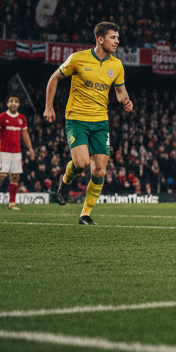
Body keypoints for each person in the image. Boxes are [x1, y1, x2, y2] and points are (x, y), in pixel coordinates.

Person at [45, 21, 134, 225]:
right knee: (81, 163)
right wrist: (49, 107)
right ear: (100, 39)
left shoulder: (116, 65)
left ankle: (85, 214)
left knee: (100, 170)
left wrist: (126, 101)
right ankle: (66, 181)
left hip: (101, 122)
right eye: (113, 37)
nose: (117, 41)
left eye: (118, 38)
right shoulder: (78, 59)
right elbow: (54, 78)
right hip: (77, 119)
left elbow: (120, 92)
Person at [0, 94, 35, 210]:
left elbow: (25, 134)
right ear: (7, 104)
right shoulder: (2, 117)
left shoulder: (22, 118)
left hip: (17, 152)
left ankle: (12, 203)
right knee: (2, 176)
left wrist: (30, 148)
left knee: (15, 177)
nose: (13, 103)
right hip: (4, 151)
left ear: (18, 104)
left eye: (16, 101)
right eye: (11, 101)